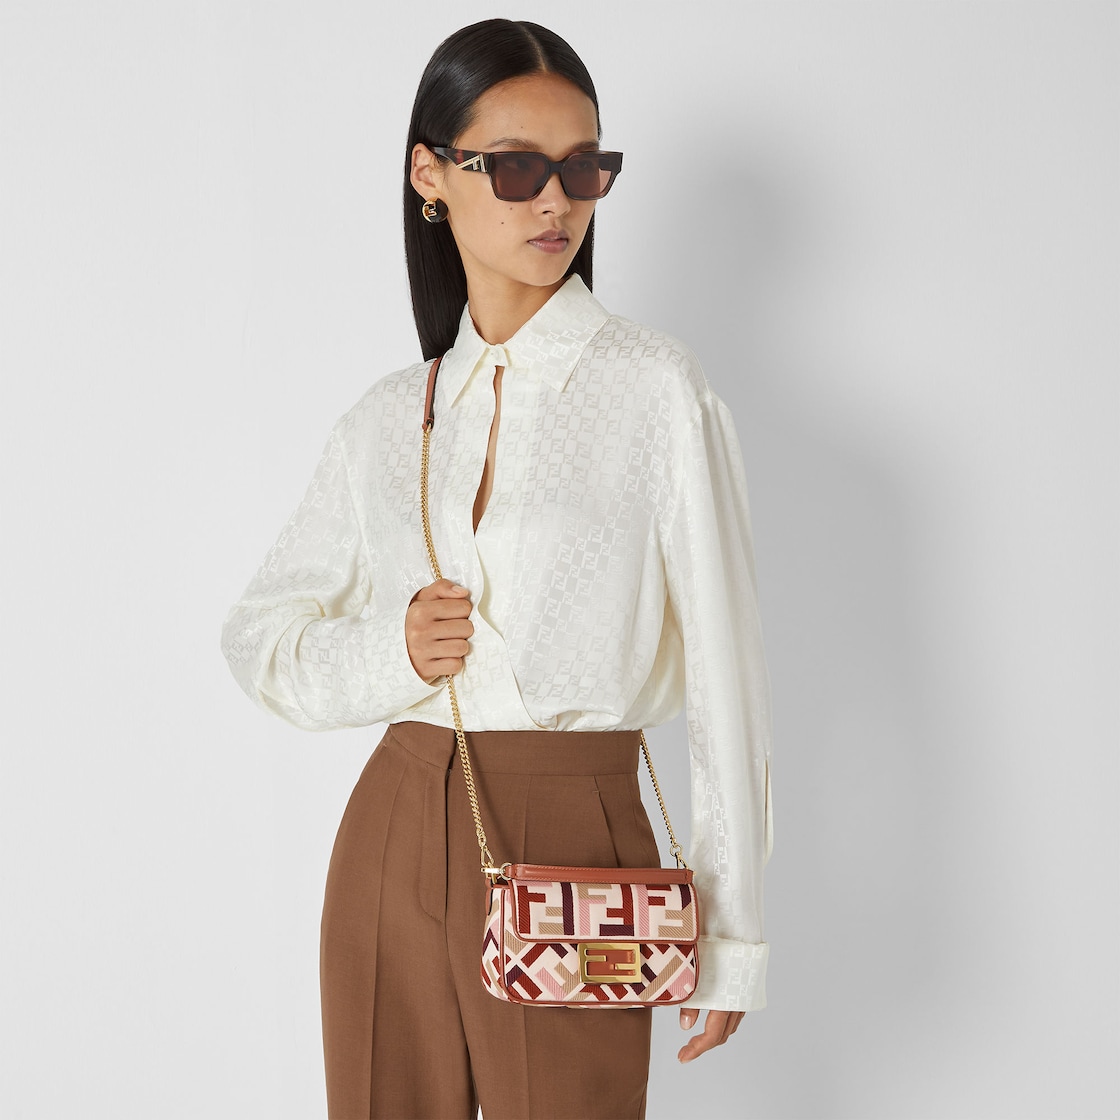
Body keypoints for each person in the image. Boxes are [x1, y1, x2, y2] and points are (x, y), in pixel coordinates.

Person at [221, 17, 772, 1120]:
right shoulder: (390, 416)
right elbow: (259, 636)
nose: (554, 201)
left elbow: (727, 671)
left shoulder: (654, 390)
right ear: (431, 176)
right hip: (394, 829)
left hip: (581, 842)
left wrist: (731, 931)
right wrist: (392, 652)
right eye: (516, 168)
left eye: (583, 168)